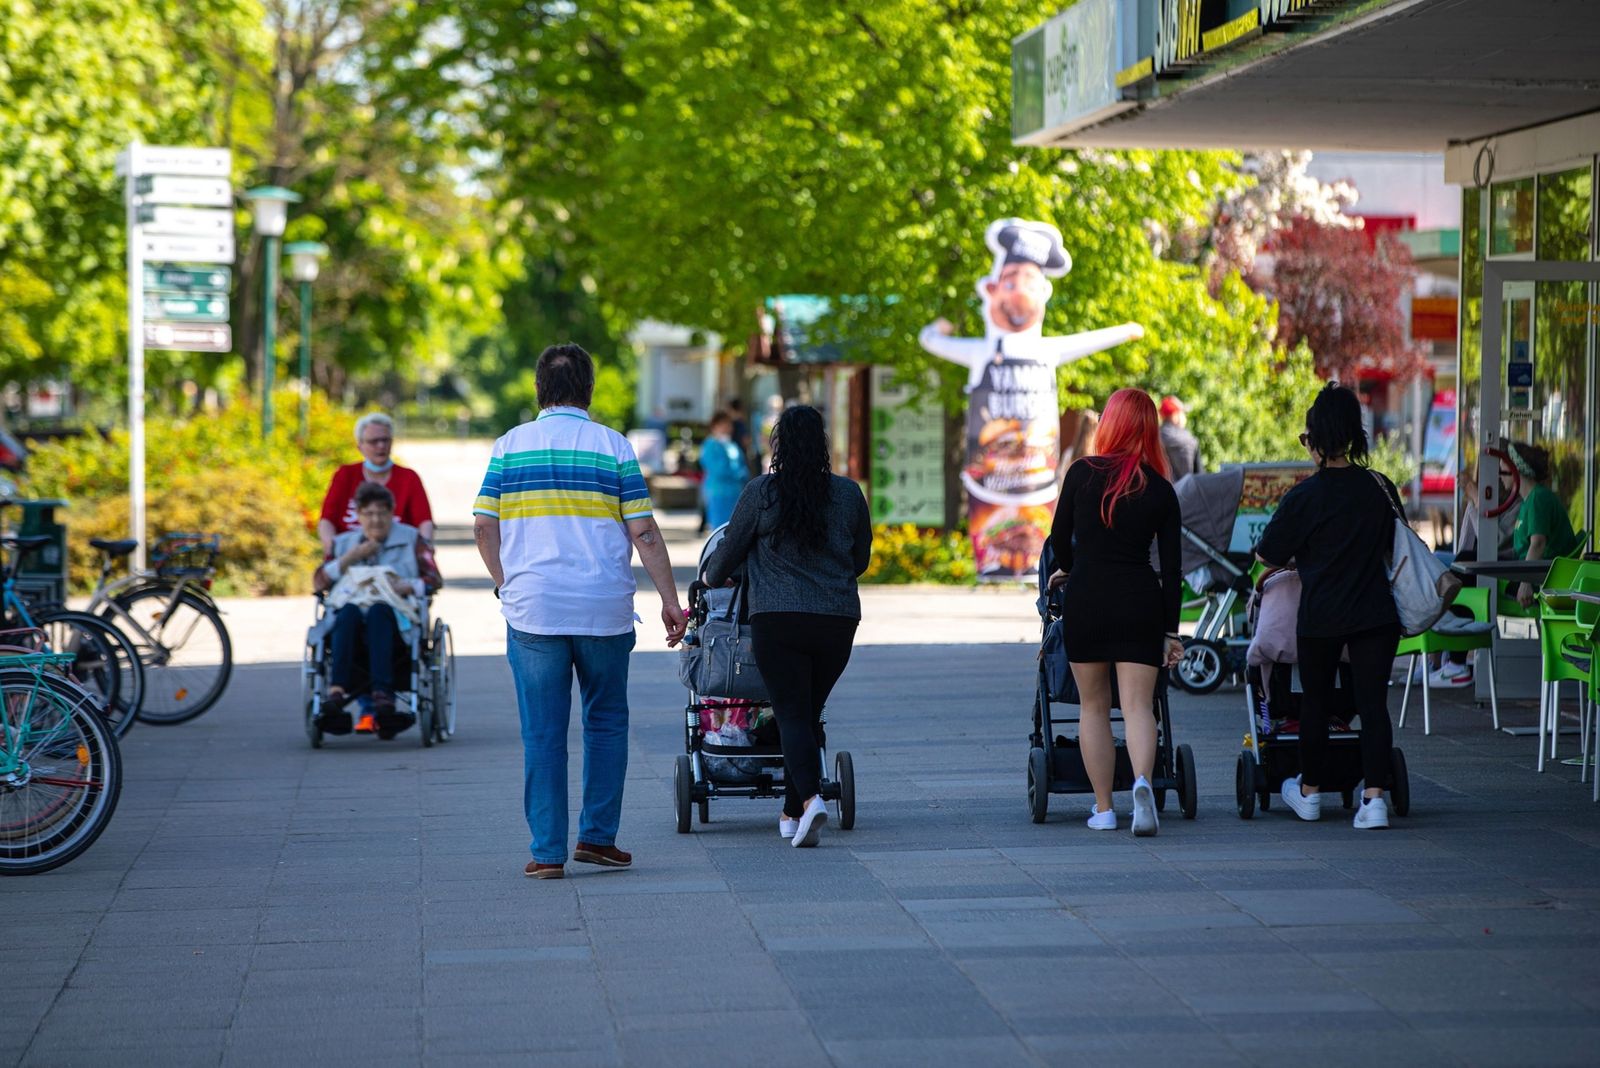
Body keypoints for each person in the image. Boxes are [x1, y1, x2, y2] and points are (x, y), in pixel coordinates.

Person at [473, 343, 687, 880]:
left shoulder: (509, 447)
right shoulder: (613, 447)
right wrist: (669, 601)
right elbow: (644, 531)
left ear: (538, 388)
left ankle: (547, 853)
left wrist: (506, 584)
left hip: (533, 611)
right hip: (603, 609)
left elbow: (483, 526)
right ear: (588, 389)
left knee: (543, 734)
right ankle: (597, 839)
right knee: (607, 721)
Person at [702, 405, 872, 849]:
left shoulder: (762, 493)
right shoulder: (849, 494)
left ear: (779, 445)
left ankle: (812, 799)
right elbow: (861, 561)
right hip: (837, 620)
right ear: (822, 444)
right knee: (807, 711)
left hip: (777, 621)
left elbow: (729, 551)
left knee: (792, 712)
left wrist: (707, 579)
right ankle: (792, 810)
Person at [1255, 384, 1404, 831]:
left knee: (1316, 703)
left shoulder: (1304, 497)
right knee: (1373, 704)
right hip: (1376, 613)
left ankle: (1310, 792)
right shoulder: (1380, 487)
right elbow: (1395, 544)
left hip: (1322, 614)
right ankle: (1374, 799)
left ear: (1317, 439)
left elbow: (1269, 556)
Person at [1047, 388, 1183, 838]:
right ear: (1148, 429)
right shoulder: (1160, 489)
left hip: (1087, 598)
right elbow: (1173, 569)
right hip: (1140, 602)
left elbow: (1060, 539)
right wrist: (1171, 632)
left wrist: (1067, 571)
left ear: (1110, 424)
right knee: (1139, 706)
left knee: (1093, 707)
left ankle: (1104, 808)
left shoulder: (1081, 473)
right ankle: (1142, 785)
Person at [312, 481, 442, 739]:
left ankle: (384, 698)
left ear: (392, 513)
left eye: (382, 513)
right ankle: (336, 693)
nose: (376, 520)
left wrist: (407, 585)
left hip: (396, 623)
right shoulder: (342, 543)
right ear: (358, 515)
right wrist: (351, 557)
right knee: (348, 611)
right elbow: (318, 581)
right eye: (369, 513)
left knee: (378, 611)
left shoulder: (411, 538)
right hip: (350, 625)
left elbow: (434, 580)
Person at [319, 413, 435, 555]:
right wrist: (333, 550)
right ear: (360, 445)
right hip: (350, 554)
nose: (381, 446)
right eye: (374, 441)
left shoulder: (409, 478)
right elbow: (326, 521)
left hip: (398, 556)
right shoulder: (345, 475)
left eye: (385, 440)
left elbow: (425, 522)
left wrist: (423, 550)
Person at [1510, 441, 1583, 609]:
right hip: (1534, 574)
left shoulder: (1538, 499)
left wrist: (1526, 583)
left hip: (1541, 579)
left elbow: (1538, 543)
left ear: (1517, 471)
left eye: (1503, 470)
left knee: (1477, 580)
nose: (1499, 475)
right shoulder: (1529, 500)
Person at [699, 409, 749, 530]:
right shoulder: (710, 445)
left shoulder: (732, 445)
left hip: (736, 493)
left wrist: (741, 474)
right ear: (714, 426)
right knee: (719, 530)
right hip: (718, 493)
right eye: (723, 424)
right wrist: (736, 473)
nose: (727, 428)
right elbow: (716, 469)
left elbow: (743, 466)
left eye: (729, 424)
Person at [1158, 396, 1202, 479]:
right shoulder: (1190, 440)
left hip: (1161, 490)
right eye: (1183, 413)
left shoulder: (1153, 438)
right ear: (1175, 415)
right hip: (1187, 490)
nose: (1185, 417)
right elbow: (1200, 476)